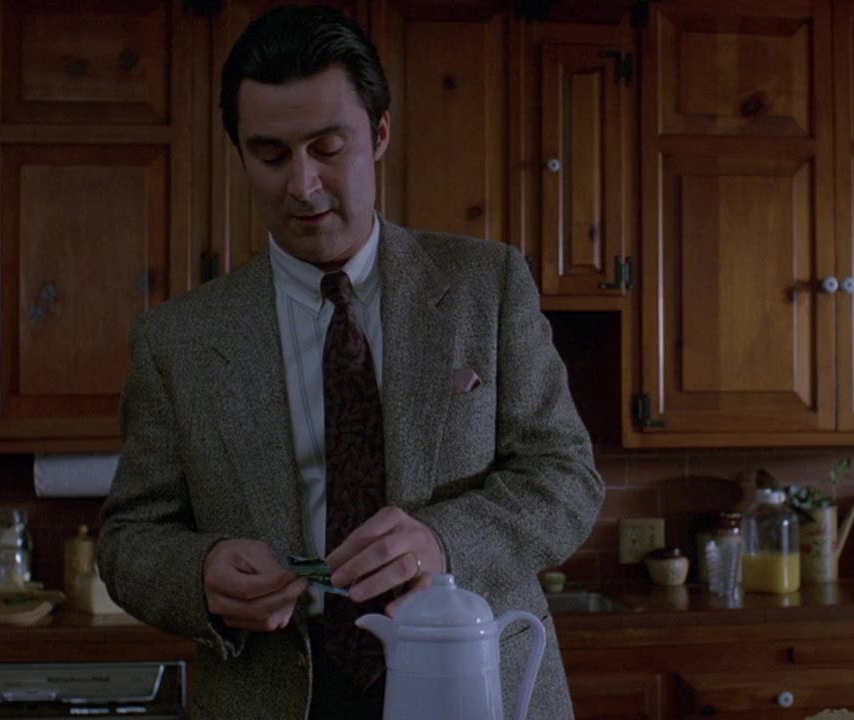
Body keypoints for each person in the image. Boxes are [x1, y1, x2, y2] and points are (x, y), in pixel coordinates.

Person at [96, 5, 604, 719]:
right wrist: (198, 573)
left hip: (477, 683)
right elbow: (127, 540)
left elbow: (567, 478)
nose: (302, 185)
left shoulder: (488, 287)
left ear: (380, 134)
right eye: (270, 155)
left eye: (328, 148)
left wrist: (443, 543)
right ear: (241, 153)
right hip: (273, 690)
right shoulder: (175, 341)